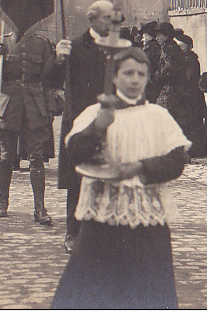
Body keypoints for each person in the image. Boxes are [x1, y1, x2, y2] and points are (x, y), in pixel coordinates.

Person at [51, 47, 190, 309]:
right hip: (102, 217)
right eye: (128, 73)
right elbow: (74, 153)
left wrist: (141, 166)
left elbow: (176, 161)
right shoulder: (95, 113)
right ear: (114, 77)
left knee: (148, 292)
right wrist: (97, 127)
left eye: (141, 73)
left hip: (147, 221)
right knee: (92, 291)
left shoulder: (158, 117)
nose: (135, 79)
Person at [52, 0, 113, 253]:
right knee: (78, 181)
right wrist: (57, 59)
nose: (111, 23)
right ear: (92, 19)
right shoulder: (74, 47)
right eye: (106, 18)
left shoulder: (119, 48)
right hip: (80, 123)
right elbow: (49, 80)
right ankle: (72, 232)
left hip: (110, 123)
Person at [0, 29, 58, 225]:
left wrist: (50, 108)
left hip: (34, 106)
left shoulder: (42, 44)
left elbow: (50, 80)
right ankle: (2, 201)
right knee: (6, 156)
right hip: (8, 105)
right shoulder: (2, 41)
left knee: (36, 156)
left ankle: (39, 208)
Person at [152, 23, 192, 162]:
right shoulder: (170, 47)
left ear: (166, 35)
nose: (156, 37)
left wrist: (156, 77)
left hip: (171, 90)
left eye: (159, 34)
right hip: (174, 89)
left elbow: (170, 69)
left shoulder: (169, 48)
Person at [173, 29, 207, 158]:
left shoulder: (191, 60)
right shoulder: (184, 58)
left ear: (188, 47)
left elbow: (188, 79)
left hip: (192, 96)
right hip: (189, 95)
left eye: (181, 46)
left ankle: (197, 150)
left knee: (194, 123)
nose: (179, 49)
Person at [139, 21, 161, 103]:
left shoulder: (151, 49)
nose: (142, 39)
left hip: (150, 85)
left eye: (144, 37)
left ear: (150, 37)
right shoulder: (153, 48)